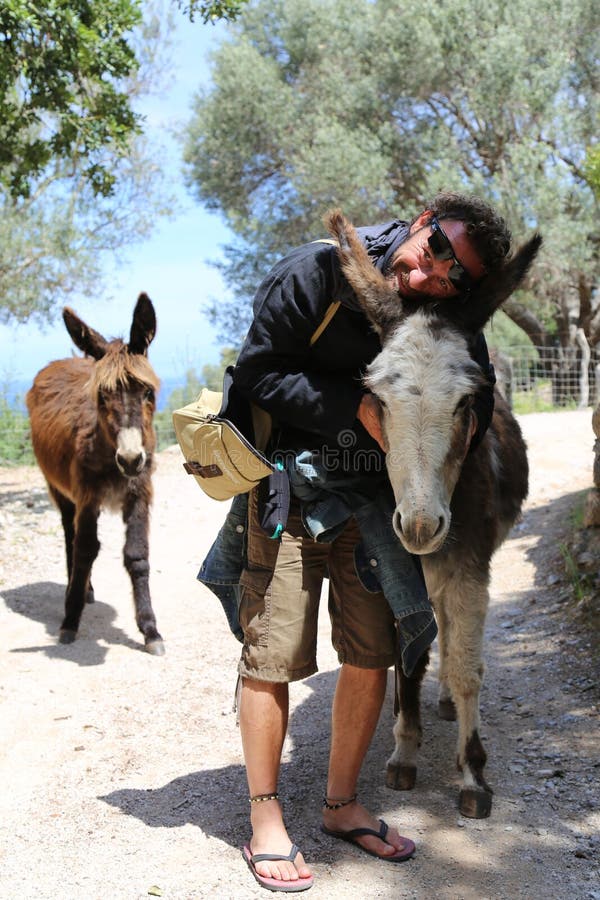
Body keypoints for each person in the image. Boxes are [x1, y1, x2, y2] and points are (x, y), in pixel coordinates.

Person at [225, 193, 512, 892]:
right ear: (420, 221)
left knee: (370, 652)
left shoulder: (444, 317)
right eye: (437, 248)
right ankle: (266, 819)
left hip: (378, 503)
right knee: (273, 652)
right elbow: (258, 372)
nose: (436, 274)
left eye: (457, 278)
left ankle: (341, 805)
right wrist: (355, 408)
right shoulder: (314, 275)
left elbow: (478, 377)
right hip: (289, 485)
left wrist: (462, 426)